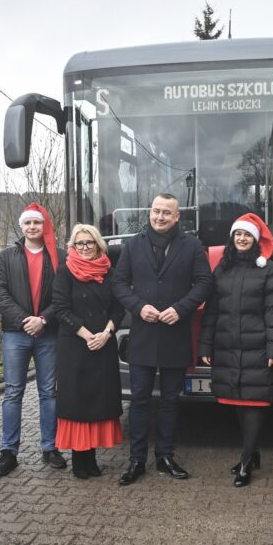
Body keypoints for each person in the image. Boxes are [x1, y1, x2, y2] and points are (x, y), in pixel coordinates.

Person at [112, 193, 214, 485]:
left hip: (176, 334)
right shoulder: (132, 245)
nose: (160, 217)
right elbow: (118, 283)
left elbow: (205, 283)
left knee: (170, 400)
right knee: (141, 400)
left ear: (177, 216)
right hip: (142, 335)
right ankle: (137, 460)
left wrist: (181, 309)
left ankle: (165, 457)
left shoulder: (192, 246)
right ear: (150, 213)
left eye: (166, 213)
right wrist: (138, 306)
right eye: (156, 211)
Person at [198, 214, 273, 488]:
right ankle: (253, 453)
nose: (242, 239)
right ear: (232, 238)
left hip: (258, 348)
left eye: (247, 235)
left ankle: (246, 462)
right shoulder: (222, 269)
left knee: (254, 404)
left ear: (256, 239)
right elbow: (211, 310)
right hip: (227, 346)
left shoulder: (269, 270)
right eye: (238, 235)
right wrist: (205, 343)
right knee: (237, 401)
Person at [0, 204, 67, 477]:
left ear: (44, 225)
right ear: (21, 226)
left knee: (49, 392)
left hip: (48, 334)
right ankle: (8, 451)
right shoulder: (6, 257)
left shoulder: (59, 256)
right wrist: (25, 320)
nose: (32, 227)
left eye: (37, 223)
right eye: (28, 223)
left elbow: (63, 295)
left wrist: (43, 319)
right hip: (15, 334)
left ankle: (51, 447)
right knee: (12, 393)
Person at [52, 224, 125, 479]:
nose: (84, 248)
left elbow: (119, 308)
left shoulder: (110, 273)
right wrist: (87, 335)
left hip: (103, 345)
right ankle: (79, 462)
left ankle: (92, 460)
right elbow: (61, 309)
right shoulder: (64, 272)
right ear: (72, 246)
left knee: (98, 402)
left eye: (89, 243)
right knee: (77, 403)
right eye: (79, 243)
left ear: (98, 245)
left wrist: (106, 333)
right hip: (75, 346)